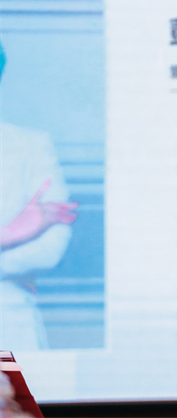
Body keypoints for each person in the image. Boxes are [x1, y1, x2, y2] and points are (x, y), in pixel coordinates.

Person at [0, 41, 78, 350]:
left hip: (8, 322)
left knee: (13, 383)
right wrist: (10, 234)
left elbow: (50, 248)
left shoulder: (30, 146)